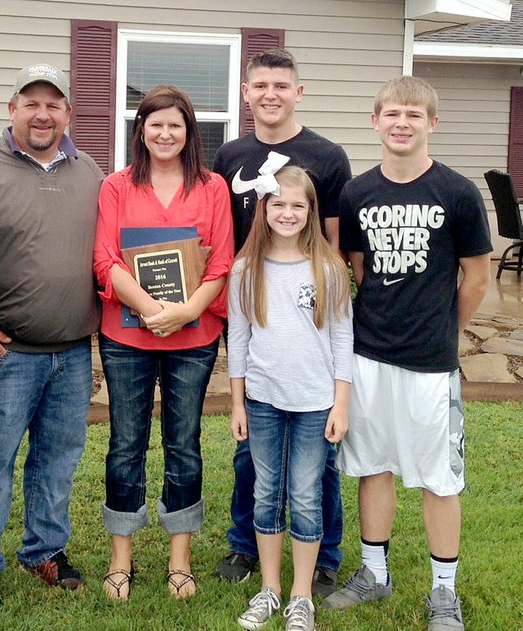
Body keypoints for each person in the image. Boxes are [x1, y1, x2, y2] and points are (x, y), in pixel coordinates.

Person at [321, 77, 491, 631]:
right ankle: (374, 572)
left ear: (432, 124)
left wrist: (444, 327)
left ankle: (445, 592)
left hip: (429, 362)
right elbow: (358, 268)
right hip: (368, 355)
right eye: (392, 113)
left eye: (414, 115)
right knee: (373, 465)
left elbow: (476, 276)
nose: (402, 123)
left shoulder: (458, 192)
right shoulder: (356, 193)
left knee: (439, 477)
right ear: (375, 121)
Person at [0, 62, 103, 618]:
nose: (43, 114)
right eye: (31, 103)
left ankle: (44, 550)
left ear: (69, 112)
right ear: (10, 109)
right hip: (4, 354)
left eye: (53, 104)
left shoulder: (91, 172)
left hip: (71, 351)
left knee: (58, 459)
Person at [212, 48, 351, 594]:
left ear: (299, 91)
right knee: (254, 455)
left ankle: (325, 556)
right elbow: (224, 234)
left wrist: (326, 290)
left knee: (320, 462)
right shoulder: (229, 155)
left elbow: (335, 241)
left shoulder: (327, 155)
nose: (270, 94)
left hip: (309, 314)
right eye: (260, 85)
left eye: (281, 85)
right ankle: (247, 545)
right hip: (255, 310)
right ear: (246, 94)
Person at [93, 85, 234, 601]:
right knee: (125, 446)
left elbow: (221, 263)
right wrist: (156, 312)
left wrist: (187, 312)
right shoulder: (116, 186)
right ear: (141, 131)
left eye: (175, 125)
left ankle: (180, 560)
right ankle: (121, 560)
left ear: (189, 130)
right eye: (155, 125)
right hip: (126, 337)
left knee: (184, 445)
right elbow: (105, 259)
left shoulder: (212, 186)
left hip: (193, 337)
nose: (165, 134)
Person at [227, 165, 352, 631]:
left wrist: (341, 403)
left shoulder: (328, 267)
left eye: (298, 205)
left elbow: (343, 338)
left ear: (311, 211)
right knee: (265, 492)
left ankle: (302, 595)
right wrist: (237, 402)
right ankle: (270, 589)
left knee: (304, 494)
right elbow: (236, 340)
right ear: (263, 209)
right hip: (261, 400)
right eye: (278, 203)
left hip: (316, 401)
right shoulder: (246, 268)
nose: (287, 212)